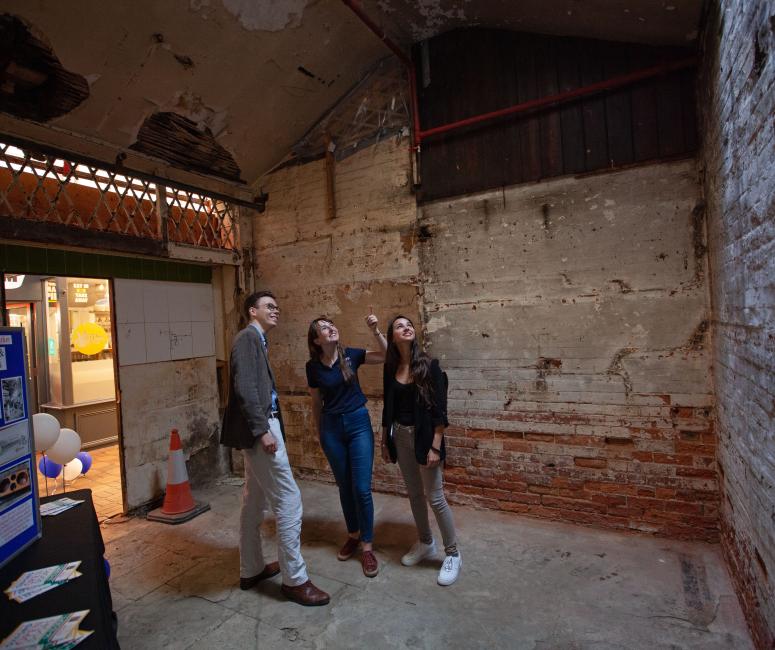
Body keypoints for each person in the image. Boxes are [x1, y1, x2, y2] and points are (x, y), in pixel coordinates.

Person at [221, 291, 330, 606]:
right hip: (260, 429)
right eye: (269, 306)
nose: (276, 310)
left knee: (253, 501)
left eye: (277, 307)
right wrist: (262, 430)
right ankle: (295, 581)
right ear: (252, 311)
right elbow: (245, 387)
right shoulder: (246, 338)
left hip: (261, 427)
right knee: (289, 500)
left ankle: (251, 568)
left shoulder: (257, 340)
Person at [380, 315, 462, 586]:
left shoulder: (429, 365)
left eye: (409, 325)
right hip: (400, 436)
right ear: (393, 337)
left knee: (435, 497)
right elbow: (387, 405)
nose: (406, 328)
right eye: (399, 326)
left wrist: (435, 448)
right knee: (414, 494)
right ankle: (426, 542)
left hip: (425, 437)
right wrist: (384, 440)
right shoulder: (391, 366)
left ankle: (453, 554)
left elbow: (440, 411)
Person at [306, 311, 387, 577]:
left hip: (358, 423)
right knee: (344, 486)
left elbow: (386, 356)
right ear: (316, 341)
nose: (331, 329)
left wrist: (375, 331)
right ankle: (353, 534)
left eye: (331, 325)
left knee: (361, 488)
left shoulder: (350, 354)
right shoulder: (313, 367)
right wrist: (318, 433)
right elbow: (316, 403)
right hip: (331, 428)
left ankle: (367, 547)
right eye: (324, 328)